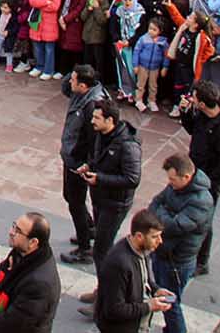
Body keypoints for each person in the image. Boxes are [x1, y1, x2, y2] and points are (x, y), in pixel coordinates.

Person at [79, 98, 142, 311]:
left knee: (101, 250)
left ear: (110, 120)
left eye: (97, 118)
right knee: (101, 247)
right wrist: (90, 166)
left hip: (115, 203)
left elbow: (132, 178)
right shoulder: (101, 135)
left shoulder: (128, 146)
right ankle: (102, 289)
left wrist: (101, 179)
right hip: (100, 198)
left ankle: (106, 297)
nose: (92, 121)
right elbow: (98, 158)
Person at [179, 80, 220, 276]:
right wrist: (186, 113)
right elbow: (193, 130)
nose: (192, 100)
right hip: (198, 170)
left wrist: (206, 179)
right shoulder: (205, 115)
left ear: (203, 104)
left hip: (209, 179)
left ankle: (201, 261)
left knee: (204, 218)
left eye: (194, 99)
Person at [147, 154, 214, 333]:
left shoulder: (201, 200)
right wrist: (165, 212)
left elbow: (175, 226)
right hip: (163, 252)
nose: (170, 182)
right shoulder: (175, 187)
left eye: (173, 179)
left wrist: (161, 214)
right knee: (166, 298)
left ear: (186, 176)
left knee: (171, 305)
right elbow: (155, 203)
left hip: (177, 261)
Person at [0, 212, 61, 333]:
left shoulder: (39, 284)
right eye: (13, 226)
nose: (11, 232)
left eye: (18, 231)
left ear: (33, 242)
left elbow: (14, 323)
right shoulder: (21, 253)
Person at [93, 209, 174, 333]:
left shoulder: (144, 249)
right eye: (154, 237)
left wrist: (156, 290)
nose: (160, 241)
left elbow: (143, 279)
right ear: (139, 236)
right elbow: (114, 310)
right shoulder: (118, 264)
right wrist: (149, 306)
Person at [60, 65, 105, 266]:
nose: (70, 81)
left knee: (75, 201)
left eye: (74, 80)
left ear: (84, 85)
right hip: (71, 156)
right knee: (70, 196)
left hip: (79, 162)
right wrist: (75, 72)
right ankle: (88, 228)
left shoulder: (92, 107)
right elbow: (65, 87)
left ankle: (85, 247)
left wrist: (87, 163)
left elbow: (94, 140)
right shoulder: (80, 94)